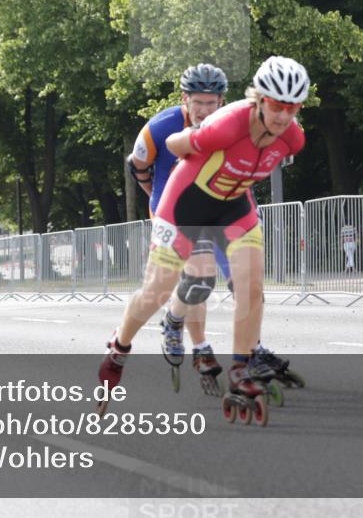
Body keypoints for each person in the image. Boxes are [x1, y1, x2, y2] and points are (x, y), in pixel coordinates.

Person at [101, 56, 308, 423]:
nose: (282, 116)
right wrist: (197, 138)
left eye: (291, 109)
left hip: (232, 206)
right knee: (159, 291)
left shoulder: (293, 137)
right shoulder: (223, 126)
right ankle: (119, 347)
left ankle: (241, 369)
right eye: (276, 107)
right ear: (259, 100)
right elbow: (174, 147)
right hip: (185, 204)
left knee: (251, 285)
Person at [129, 64, 231, 392]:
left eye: (211, 103)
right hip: (169, 210)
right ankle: (199, 347)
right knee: (199, 276)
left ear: (221, 101)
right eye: (197, 102)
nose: (204, 110)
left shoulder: (229, 126)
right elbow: (138, 166)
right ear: (184, 99)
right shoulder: (160, 127)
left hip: (208, 209)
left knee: (201, 281)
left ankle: (175, 320)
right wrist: (160, 206)